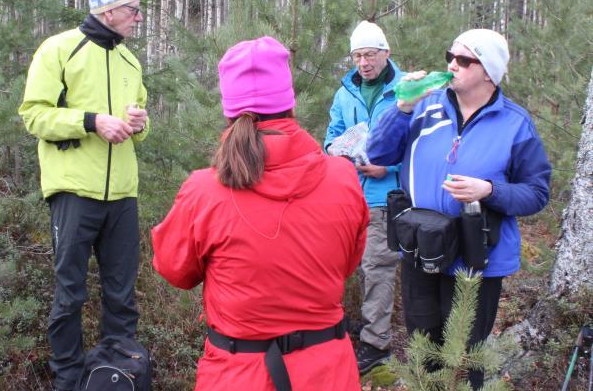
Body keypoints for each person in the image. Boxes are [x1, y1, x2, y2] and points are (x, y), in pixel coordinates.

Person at [152, 36, 368, 391]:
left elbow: (175, 270)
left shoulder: (204, 189)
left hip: (238, 376)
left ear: (229, 107)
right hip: (328, 373)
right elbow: (344, 265)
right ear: (289, 101)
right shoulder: (343, 177)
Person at [366, 28, 551, 390]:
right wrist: (402, 107)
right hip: (421, 248)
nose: (453, 65)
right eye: (451, 55)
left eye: (465, 60)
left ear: (488, 71)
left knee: (464, 359)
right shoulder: (424, 106)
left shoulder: (515, 124)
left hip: (475, 257)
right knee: (423, 348)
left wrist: (490, 190)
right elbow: (379, 154)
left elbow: (536, 192)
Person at [18, 0, 149, 391]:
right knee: (70, 296)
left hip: (122, 195)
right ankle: (69, 381)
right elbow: (34, 115)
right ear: (108, 10)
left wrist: (139, 123)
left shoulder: (130, 60)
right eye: (132, 10)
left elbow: (139, 123)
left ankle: (119, 377)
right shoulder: (58, 49)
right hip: (73, 192)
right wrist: (92, 122)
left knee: (121, 297)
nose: (138, 18)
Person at [323, 20, 402, 373]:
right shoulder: (345, 93)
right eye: (357, 56)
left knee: (377, 269)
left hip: (386, 197)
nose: (364, 63)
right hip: (349, 195)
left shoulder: (404, 90)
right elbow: (332, 136)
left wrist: (391, 167)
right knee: (341, 265)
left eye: (370, 55)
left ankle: (375, 345)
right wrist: (337, 150)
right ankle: (347, 327)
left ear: (385, 53)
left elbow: (420, 142)